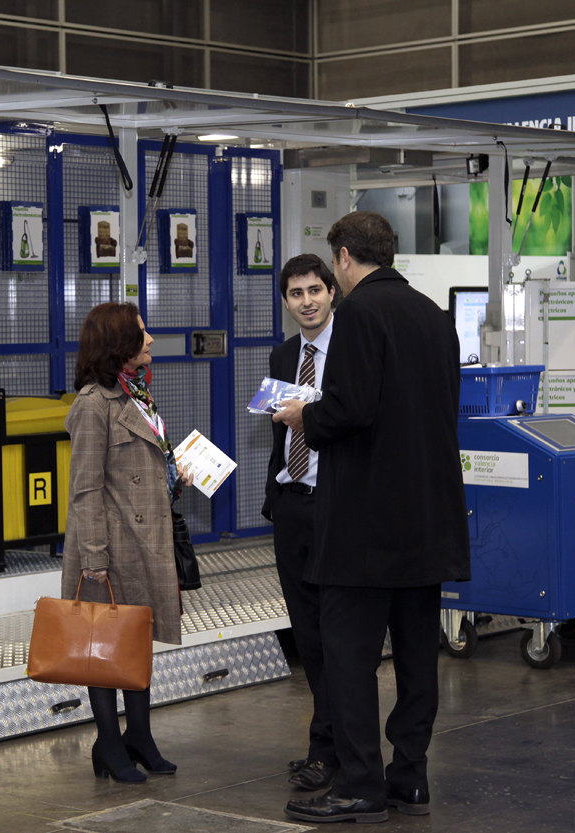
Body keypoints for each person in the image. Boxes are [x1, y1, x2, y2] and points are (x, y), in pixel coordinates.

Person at [274, 212, 470, 824]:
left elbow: (350, 410)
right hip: (426, 519)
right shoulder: (435, 317)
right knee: (417, 656)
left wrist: (305, 414)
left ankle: (360, 782)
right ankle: (410, 777)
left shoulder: (359, 313)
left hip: (365, 525)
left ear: (342, 259)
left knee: (348, 656)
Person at [62, 302, 192, 783]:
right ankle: (109, 745)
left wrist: (179, 475)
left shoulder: (138, 395)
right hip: (109, 549)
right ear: (119, 343)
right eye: (142, 333)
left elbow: (146, 468)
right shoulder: (93, 405)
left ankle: (140, 737)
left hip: (144, 542)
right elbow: (84, 488)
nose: (152, 340)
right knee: (103, 648)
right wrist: (94, 558)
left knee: (135, 643)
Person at [262, 253, 341, 793]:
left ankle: (332, 748)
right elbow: (280, 432)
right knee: (308, 636)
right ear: (286, 301)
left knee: (339, 636)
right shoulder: (284, 353)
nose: (307, 301)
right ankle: (324, 745)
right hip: (293, 505)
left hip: (337, 507)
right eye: (296, 293)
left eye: (315, 289)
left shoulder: (355, 350)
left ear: (332, 291)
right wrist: (275, 494)